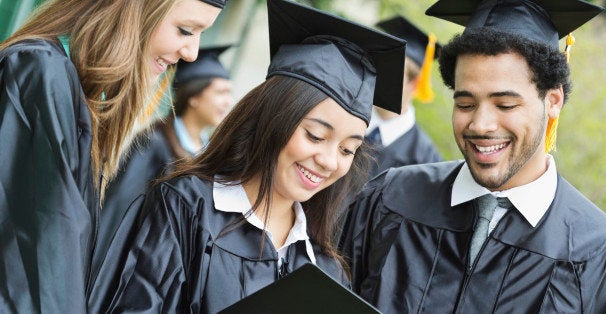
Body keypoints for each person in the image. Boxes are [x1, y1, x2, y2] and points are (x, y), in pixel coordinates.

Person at [93, 0, 405, 313]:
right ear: (272, 118)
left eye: (347, 149)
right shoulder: (186, 206)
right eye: (315, 136)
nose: (329, 160)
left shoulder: (326, 269)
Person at [339, 0, 606, 313]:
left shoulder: (602, 253)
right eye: (465, 104)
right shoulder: (390, 199)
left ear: (553, 101)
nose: (480, 125)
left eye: (505, 105)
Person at [0, 0, 226, 312]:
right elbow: (37, 263)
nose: (191, 53)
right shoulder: (40, 73)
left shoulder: (71, 88)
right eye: (185, 30)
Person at [90, 45, 235, 293]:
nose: (228, 102)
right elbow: (116, 215)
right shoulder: (151, 144)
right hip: (130, 275)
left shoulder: (208, 157)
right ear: (194, 96)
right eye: (221, 92)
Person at [365, 15, 443, 179]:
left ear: (414, 84)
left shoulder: (427, 162)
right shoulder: (347, 120)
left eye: (392, 73)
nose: (380, 77)